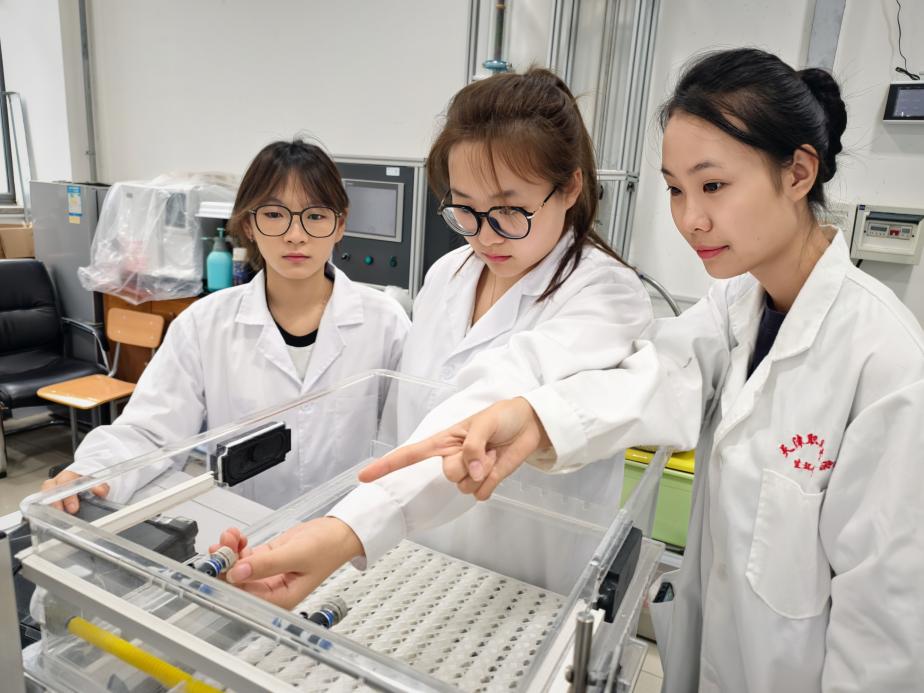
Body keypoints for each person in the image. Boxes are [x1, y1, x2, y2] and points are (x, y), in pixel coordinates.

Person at [363, 49, 924, 692]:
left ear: (798, 172)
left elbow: (886, 630)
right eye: (676, 190)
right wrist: (535, 418)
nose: (690, 219)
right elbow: (652, 380)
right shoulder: (731, 310)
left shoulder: (886, 363)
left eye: (713, 186)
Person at [215, 67, 656, 606]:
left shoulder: (605, 294)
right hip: (416, 566)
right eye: (464, 208)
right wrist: (355, 529)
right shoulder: (448, 275)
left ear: (569, 188)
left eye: (509, 209)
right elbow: (403, 429)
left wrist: (350, 529)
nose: (485, 235)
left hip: (525, 586)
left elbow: (493, 397)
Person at [42, 139, 410, 510]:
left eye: (315, 216)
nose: (295, 234)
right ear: (249, 224)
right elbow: (151, 431)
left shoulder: (385, 323)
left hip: (349, 529)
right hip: (244, 530)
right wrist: (92, 471)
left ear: (340, 224)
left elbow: (407, 440)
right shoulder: (204, 324)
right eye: (274, 214)